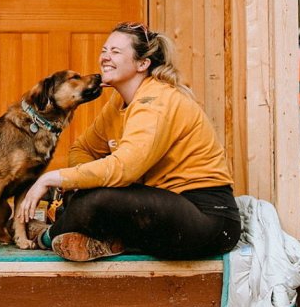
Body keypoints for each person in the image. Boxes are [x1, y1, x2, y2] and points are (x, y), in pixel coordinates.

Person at [18, 21, 242, 262]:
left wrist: (54, 178)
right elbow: (83, 149)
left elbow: (125, 169)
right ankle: (107, 240)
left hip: (208, 219)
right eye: (104, 50)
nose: (105, 57)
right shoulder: (119, 102)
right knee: (86, 190)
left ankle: (46, 236)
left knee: (96, 201)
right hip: (157, 207)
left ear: (142, 64)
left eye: (116, 52)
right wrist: (77, 183)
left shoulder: (156, 101)